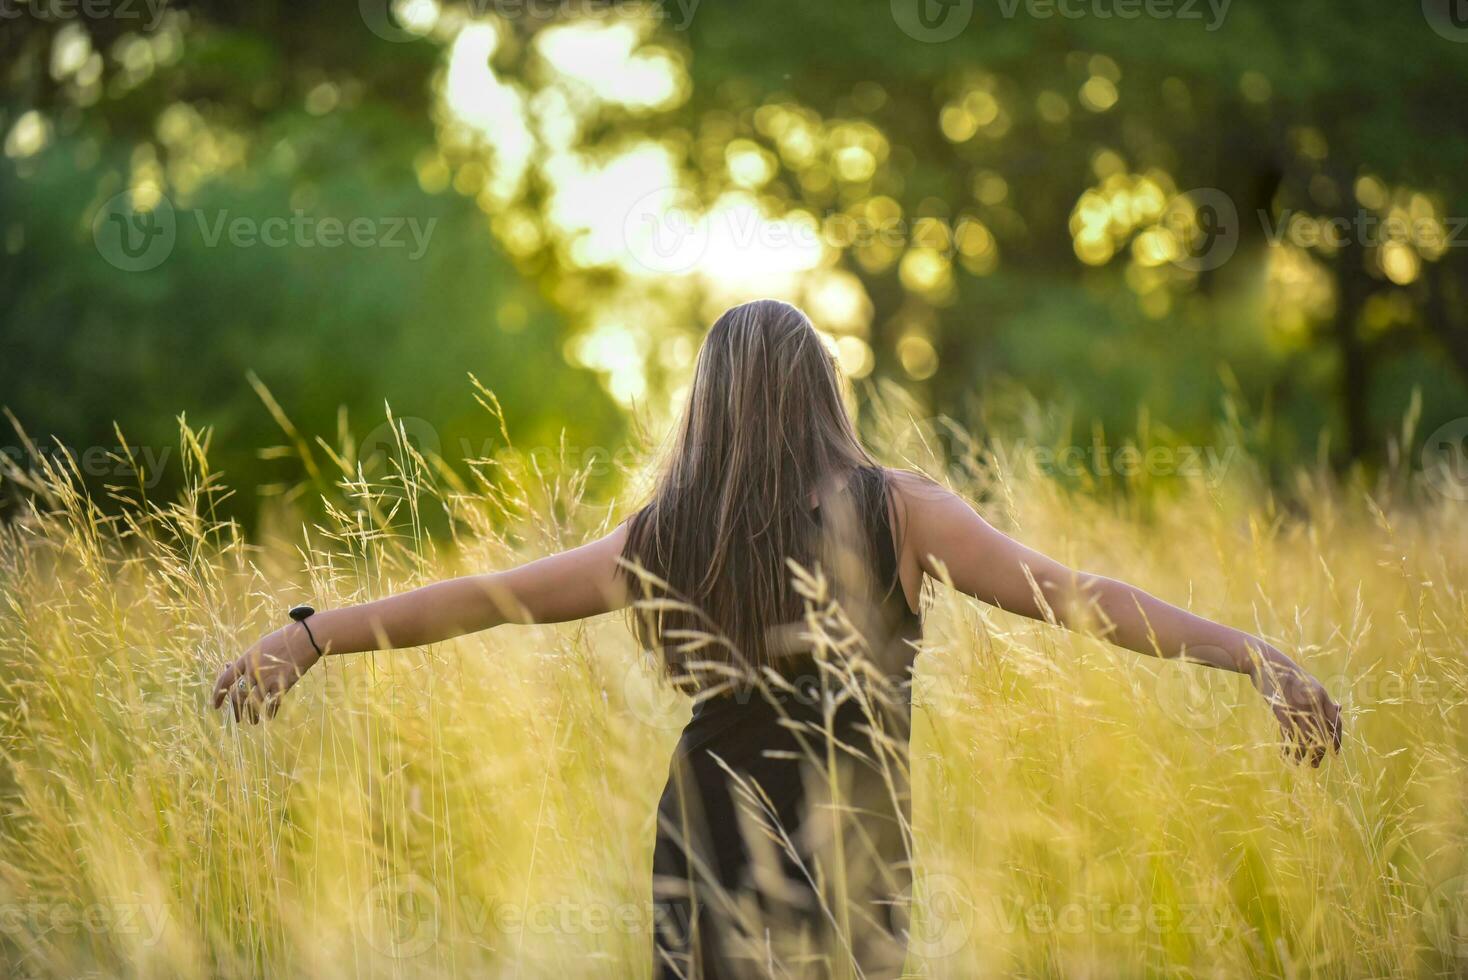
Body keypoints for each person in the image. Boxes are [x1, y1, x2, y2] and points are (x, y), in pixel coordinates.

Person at [211, 298, 1342, 977]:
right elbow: (1081, 594)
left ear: (708, 401)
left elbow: (478, 597)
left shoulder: (665, 534)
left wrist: (309, 636)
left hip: (705, 823)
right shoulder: (901, 511)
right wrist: (1253, 651)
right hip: (852, 831)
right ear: (820, 390)